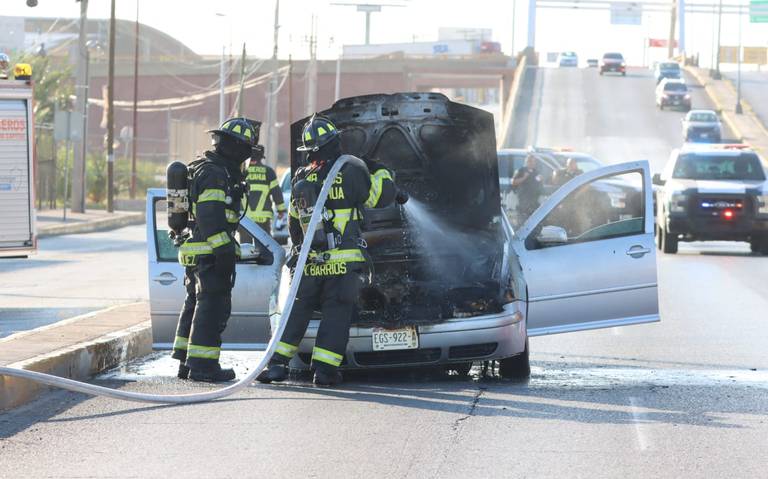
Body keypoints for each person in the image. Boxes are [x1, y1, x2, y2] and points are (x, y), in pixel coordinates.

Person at [257, 115, 407, 387]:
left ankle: (276, 365)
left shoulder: (302, 176)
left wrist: (302, 255)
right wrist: (379, 169)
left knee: (296, 313)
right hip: (343, 264)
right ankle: (325, 371)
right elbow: (378, 197)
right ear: (335, 142)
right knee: (336, 315)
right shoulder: (350, 171)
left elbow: (293, 223)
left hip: (310, 263)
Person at [171, 117, 257, 382]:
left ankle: (187, 362)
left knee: (196, 304)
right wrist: (224, 253)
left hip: (198, 251)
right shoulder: (215, 173)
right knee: (213, 307)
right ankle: (203, 366)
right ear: (234, 147)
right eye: (244, 150)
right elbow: (210, 217)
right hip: (209, 251)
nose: (245, 158)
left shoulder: (204, 167)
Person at [244, 143, 286, 236]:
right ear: (261, 157)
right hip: (263, 220)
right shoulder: (269, 172)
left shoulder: (242, 172)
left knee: (246, 248)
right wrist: (281, 211)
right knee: (264, 247)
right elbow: (277, 194)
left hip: (245, 220)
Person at [511, 155, 543, 222]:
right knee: (522, 221)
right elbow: (513, 182)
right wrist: (524, 177)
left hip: (534, 201)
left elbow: (538, 183)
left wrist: (540, 179)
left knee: (533, 221)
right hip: (523, 201)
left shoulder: (536, 172)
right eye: (530, 161)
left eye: (534, 161)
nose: (532, 163)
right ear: (526, 162)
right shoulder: (521, 170)